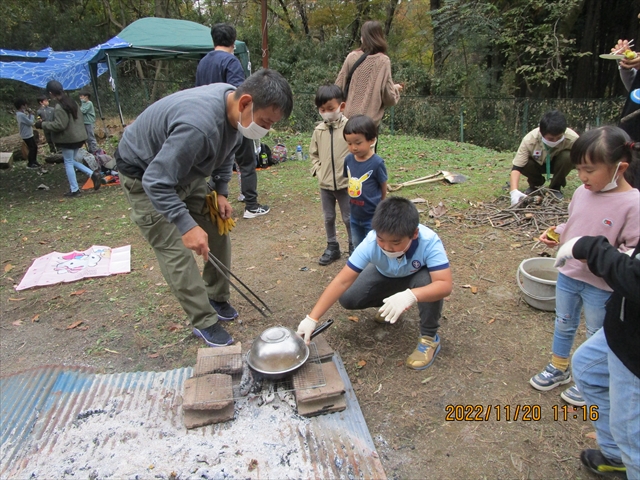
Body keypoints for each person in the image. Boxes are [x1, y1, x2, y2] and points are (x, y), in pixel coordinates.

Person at [114, 69, 292, 347]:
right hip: (145, 174)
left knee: (218, 229)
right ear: (245, 102)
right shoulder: (198, 126)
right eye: (266, 121)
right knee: (176, 251)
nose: (266, 129)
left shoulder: (233, 108)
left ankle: (216, 297)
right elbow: (156, 181)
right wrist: (185, 225)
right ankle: (204, 321)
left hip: (187, 173)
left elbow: (226, 148)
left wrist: (221, 191)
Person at [530, 126, 640, 407]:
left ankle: (589, 378)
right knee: (564, 323)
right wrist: (559, 233)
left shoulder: (633, 203)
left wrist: (595, 254)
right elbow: (575, 224)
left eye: (589, 170)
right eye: (579, 169)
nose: (582, 176)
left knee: (597, 332)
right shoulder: (582, 192)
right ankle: (559, 367)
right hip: (568, 274)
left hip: (601, 285)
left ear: (620, 167)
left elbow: (631, 254)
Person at [297, 197, 452, 370]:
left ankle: (429, 338)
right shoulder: (371, 242)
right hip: (385, 274)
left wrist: (411, 295)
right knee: (348, 297)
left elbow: (444, 284)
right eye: (381, 239)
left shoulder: (429, 242)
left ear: (414, 234)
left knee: (429, 282)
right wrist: (312, 318)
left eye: (395, 242)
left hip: (417, 277)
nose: (386, 247)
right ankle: (390, 306)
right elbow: (342, 281)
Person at [552, 235, 639, 479]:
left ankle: (629, 459)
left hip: (636, 351)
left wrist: (591, 249)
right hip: (624, 324)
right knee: (588, 368)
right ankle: (615, 455)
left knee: (632, 437)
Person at [195, 23, 270, 219]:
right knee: (246, 161)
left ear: (214, 40)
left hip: (207, 122)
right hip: (231, 121)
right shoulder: (231, 62)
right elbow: (239, 95)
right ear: (233, 40)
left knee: (216, 161)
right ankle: (251, 205)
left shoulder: (202, 62)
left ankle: (213, 200)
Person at [310, 84, 352, 264]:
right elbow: (314, 154)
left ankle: (354, 245)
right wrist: (318, 171)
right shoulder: (318, 130)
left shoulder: (350, 127)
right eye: (322, 109)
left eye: (331, 108)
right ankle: (332, 246)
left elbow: (361, 149)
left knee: (349, 218)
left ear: (341, 106)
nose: (326, 112)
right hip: (325, 184)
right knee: (328, 217)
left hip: (346, 184)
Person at [37, 81, 101, 197]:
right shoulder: (72, 102)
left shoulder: (60, 106)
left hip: (68, 139)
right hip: (79, 137)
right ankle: (93, 174)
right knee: (71, 161)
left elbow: (59, 125)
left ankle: (75, 190)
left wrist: (43, 125)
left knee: (68, 163)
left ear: (51, 93)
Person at [335, 20, 402, 127]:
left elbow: (338, 87)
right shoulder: (383, 61)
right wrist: (395, 89)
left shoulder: (352, 57)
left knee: (349, 144)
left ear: (363, 37)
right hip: (369, 124)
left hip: (347, 121)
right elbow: (388, 97)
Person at [509, 110, 579, 205]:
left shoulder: (573, 138)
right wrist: (514, 192)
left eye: (558, 138)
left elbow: (585, 161)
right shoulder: (529, 140)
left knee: (568, 156)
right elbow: (516, 167)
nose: (555, 141)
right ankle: (535, 186)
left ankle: (555, 188)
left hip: (559, 164)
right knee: (525, 163)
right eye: (550, 139)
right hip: (537, 164)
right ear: (541, 133)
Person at [343, 115, 388, 248]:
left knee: (373, 246)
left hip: (372, 217)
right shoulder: (348, 160)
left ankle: (373, 268)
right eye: (349, 143)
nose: (353, 148)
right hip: (355, 215)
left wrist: (381, 205)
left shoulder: (377, 163)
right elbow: (349, 181)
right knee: (357, 245)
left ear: (372, 140)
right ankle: (358, 267)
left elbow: (383, 186)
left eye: (358, 143)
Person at [14, 98, 40, 169]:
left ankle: (34, 161)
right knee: (32, 148)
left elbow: (27, 121)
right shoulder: (21, 115)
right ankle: (30, 163)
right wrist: (31, 115)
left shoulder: (21, 114)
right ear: (22, 106)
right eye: (25, 105)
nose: (26, 107)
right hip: (26, 135)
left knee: (34, 147)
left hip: (28, 133)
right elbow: (30, 123)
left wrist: (29, 115)